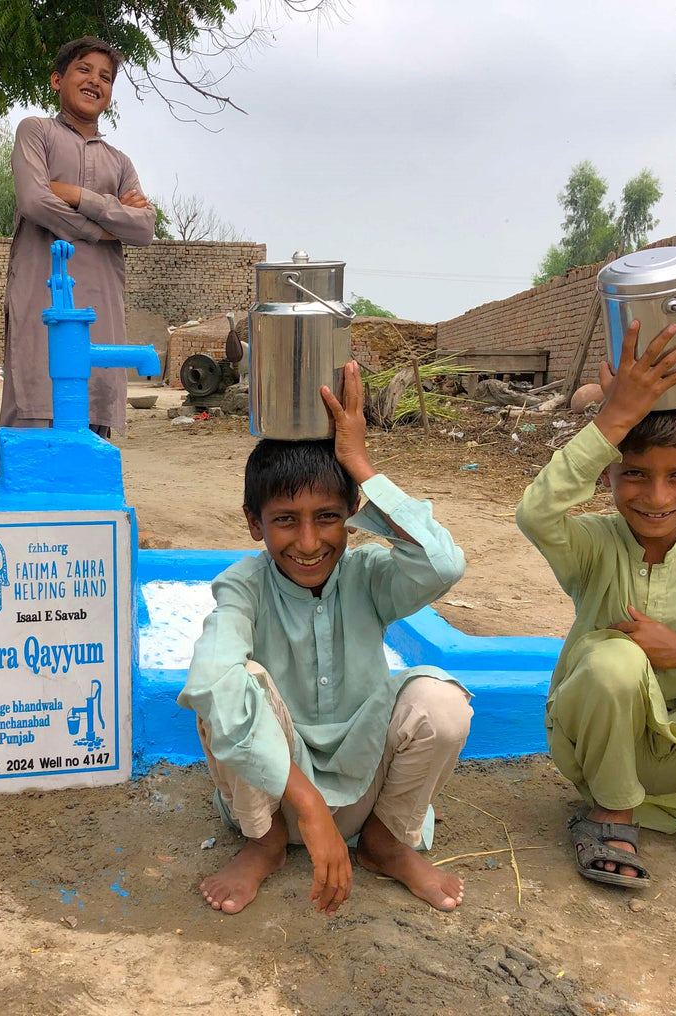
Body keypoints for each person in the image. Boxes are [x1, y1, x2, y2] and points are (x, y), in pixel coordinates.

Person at [178, 361, 473, 915]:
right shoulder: (243, 586)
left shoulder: (369, 578)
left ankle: (386, 844)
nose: (309, 542)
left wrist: (360, 463)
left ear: (353, 515)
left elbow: (442, 563)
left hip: (365, 788)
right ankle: (263, 846)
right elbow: (211, 681)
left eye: (328, 517)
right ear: (253, 523)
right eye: (286, 520)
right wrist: (307, 804)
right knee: (232, 685)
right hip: (274, 796)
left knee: (441, 701)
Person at [516, 320, 676, 887]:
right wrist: (612, 418)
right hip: (597, 749)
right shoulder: (591, 546)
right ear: (608, 471)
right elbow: (535, 513)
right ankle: (610, 812)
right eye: (634, 474)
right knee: (616, 659)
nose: (656, 497)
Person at [0, 35, 156, 438]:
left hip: (100, 307)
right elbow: (34, 200)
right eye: (84, 69)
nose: (95, 81)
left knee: (94, 422)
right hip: (40, 300)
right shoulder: (36, 132)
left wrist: (74, 194)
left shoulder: (119, 162)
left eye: (105, 77)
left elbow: (144, 228)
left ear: (109, 95)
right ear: (57, 79)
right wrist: (103, 227)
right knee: (34, 413)